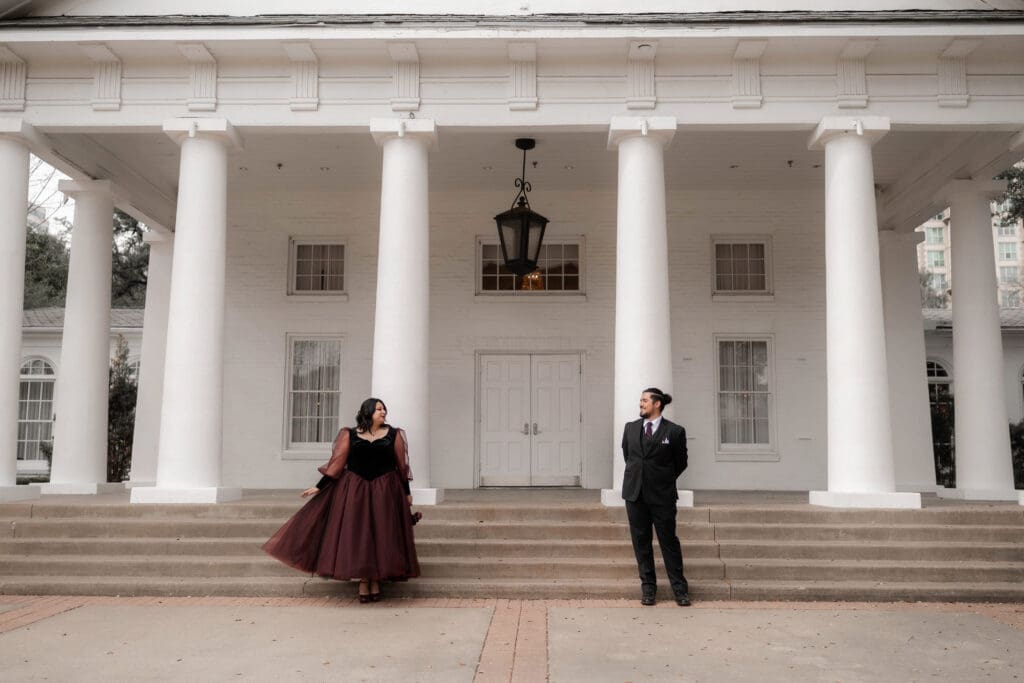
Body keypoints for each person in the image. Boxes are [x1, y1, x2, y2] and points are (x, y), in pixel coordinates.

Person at [262, 397, 420, 602]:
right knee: (359, 535)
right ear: (367, 412)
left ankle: (376, 579)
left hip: (385, 491)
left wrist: (407, 493)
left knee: (382, 533)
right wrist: (318, 487)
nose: (383, 412)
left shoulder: (394, 435)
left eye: (384, 409)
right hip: (355, 490)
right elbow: (337, 464)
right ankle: (365, 580)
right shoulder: (350, 434)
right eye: (378, 409)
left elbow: (402, 468)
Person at [621, 387, 690, 606]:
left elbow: (681, 463)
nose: (640, 403)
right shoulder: (630, 428)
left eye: (644, 400)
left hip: (662, 496)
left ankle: (680, 590)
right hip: (635, 495)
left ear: (657, 403)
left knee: (668, 542)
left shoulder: (675, 432)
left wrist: (661, 480)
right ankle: (648, 589)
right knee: (641, 543)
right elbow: (628, 456)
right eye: (640, 400)